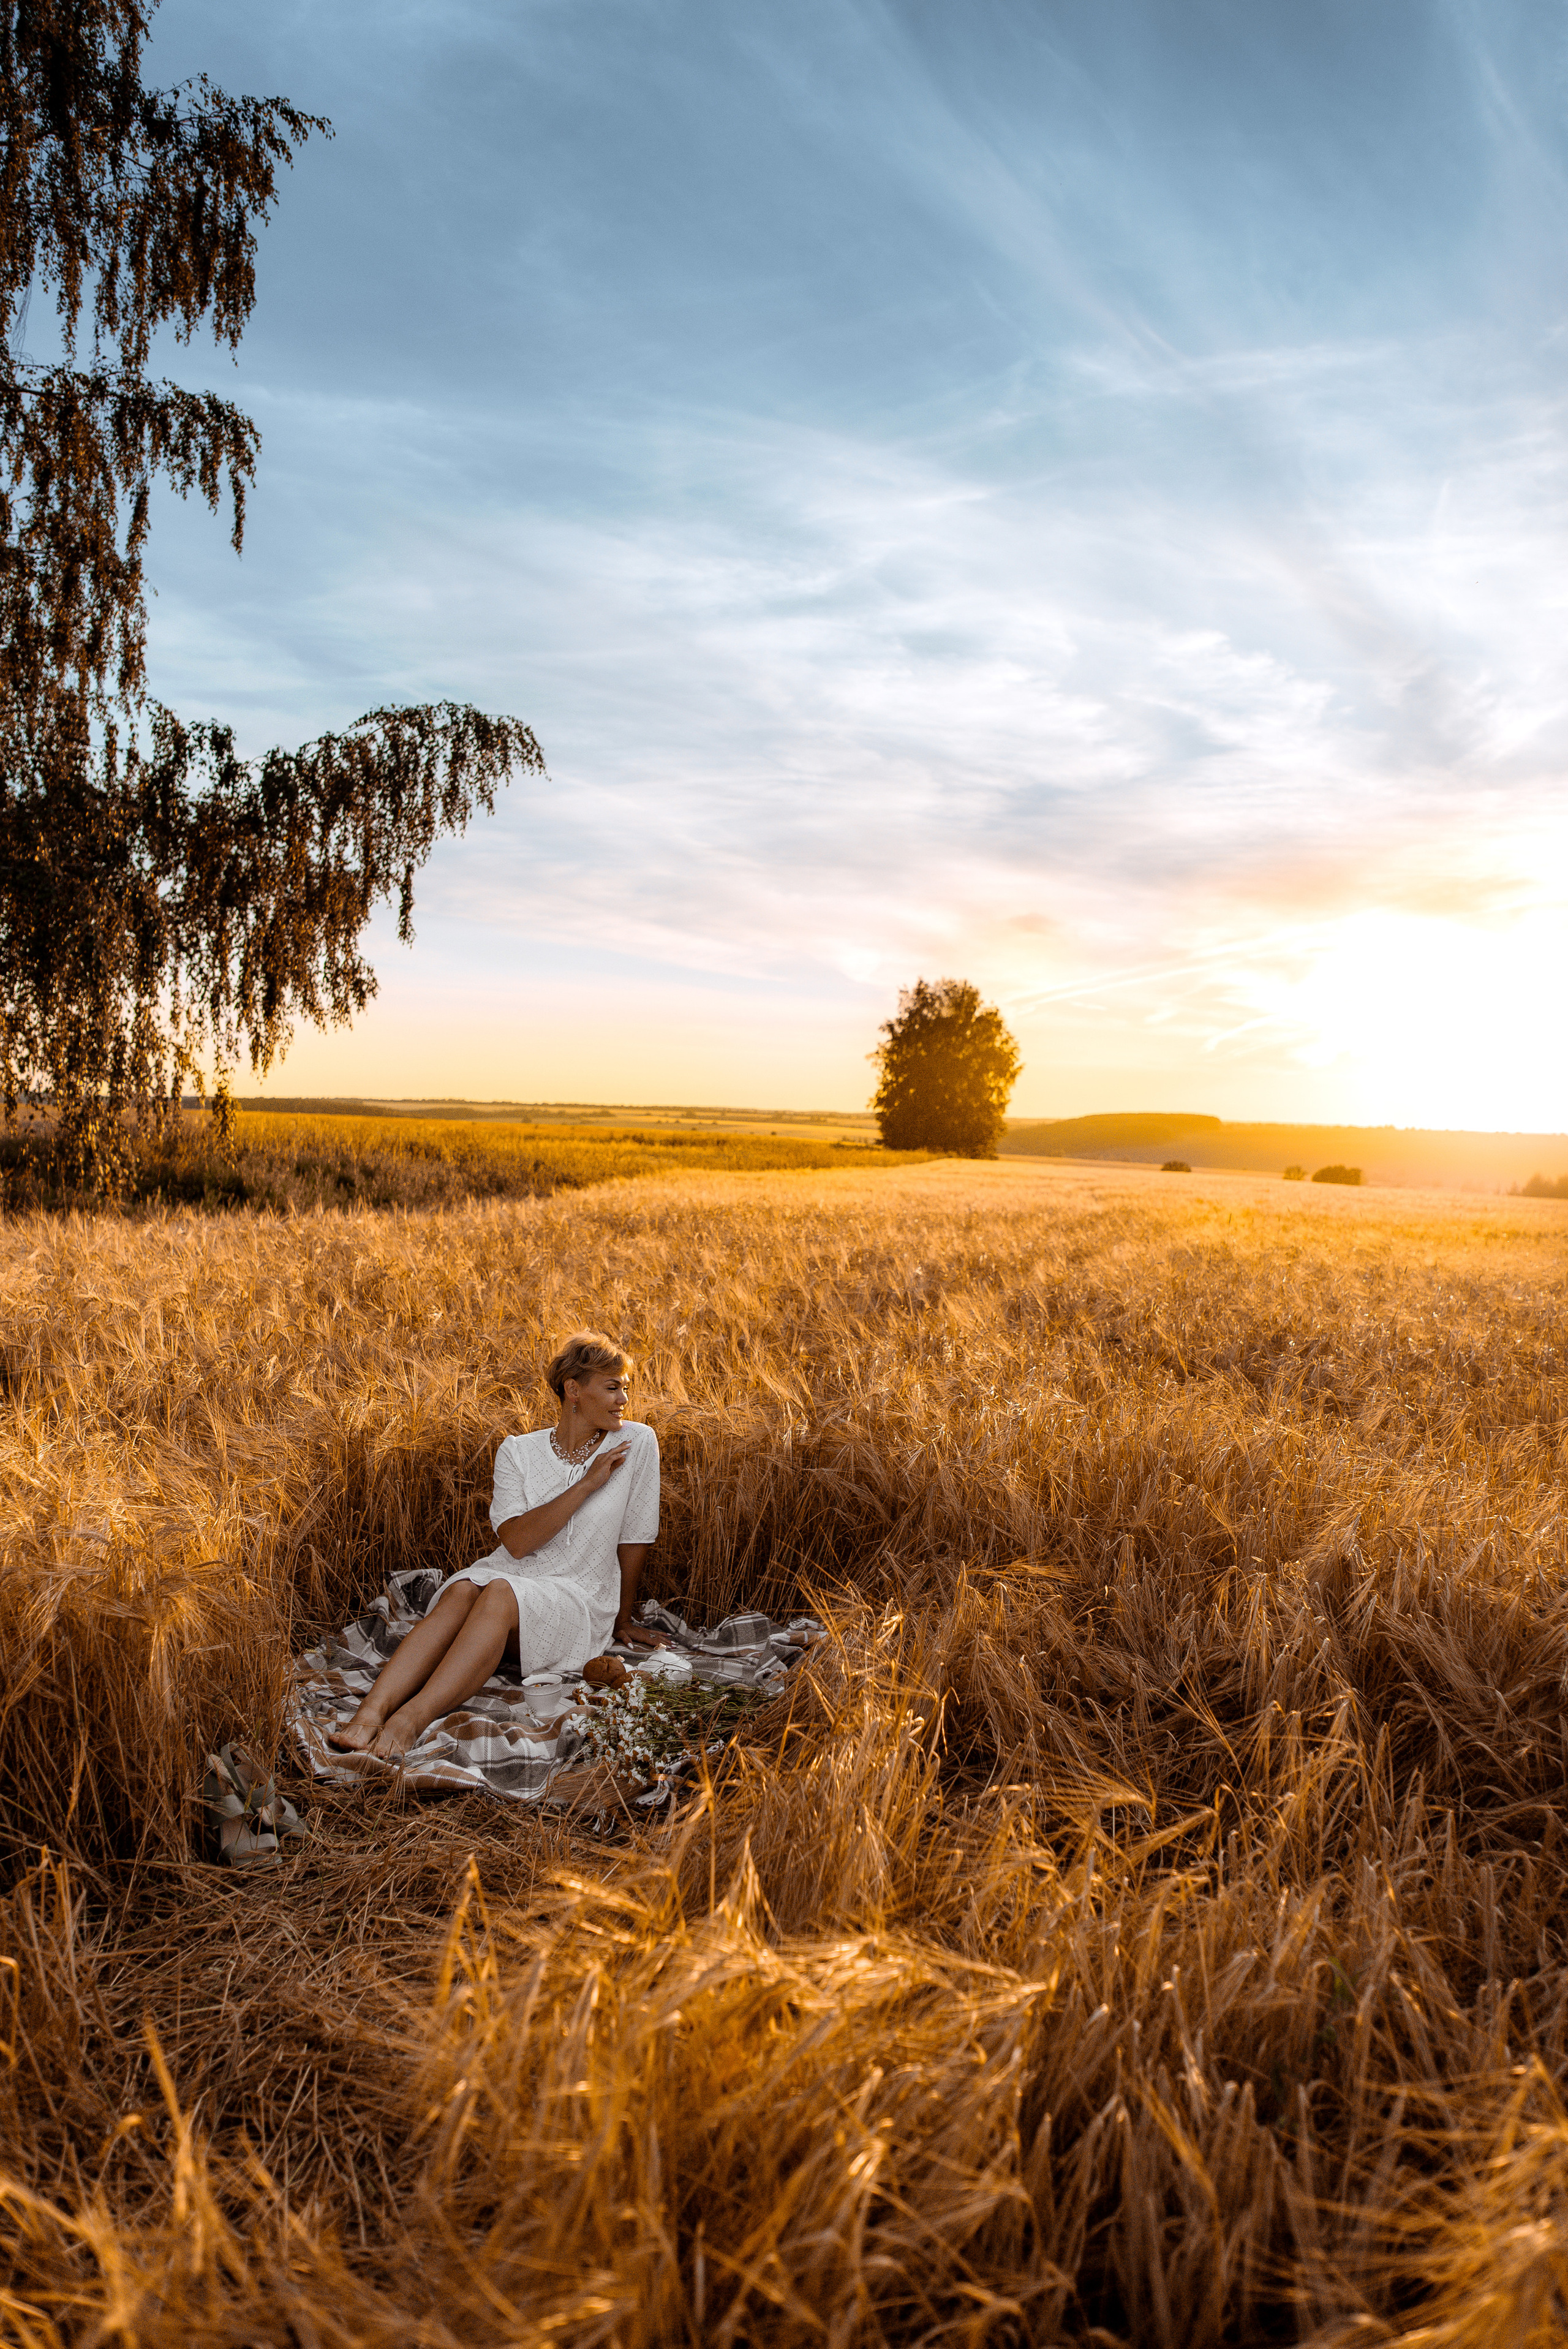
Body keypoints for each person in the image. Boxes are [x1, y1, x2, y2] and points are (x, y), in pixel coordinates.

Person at [328, 1331, 663, 1760]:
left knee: (500, 1593)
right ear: (574, 1390)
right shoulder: (518, 1452)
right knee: (467, 1587)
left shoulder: (637, 1442)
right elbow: (518, 1543)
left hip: (579, 1595)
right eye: (612, 1387)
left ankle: (408, 1720)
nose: (623, 1399)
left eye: (626, 1388)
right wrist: (589, 1483)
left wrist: (622, 1618)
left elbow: (636, 1535)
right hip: (514, 1572)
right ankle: (371, 1712)